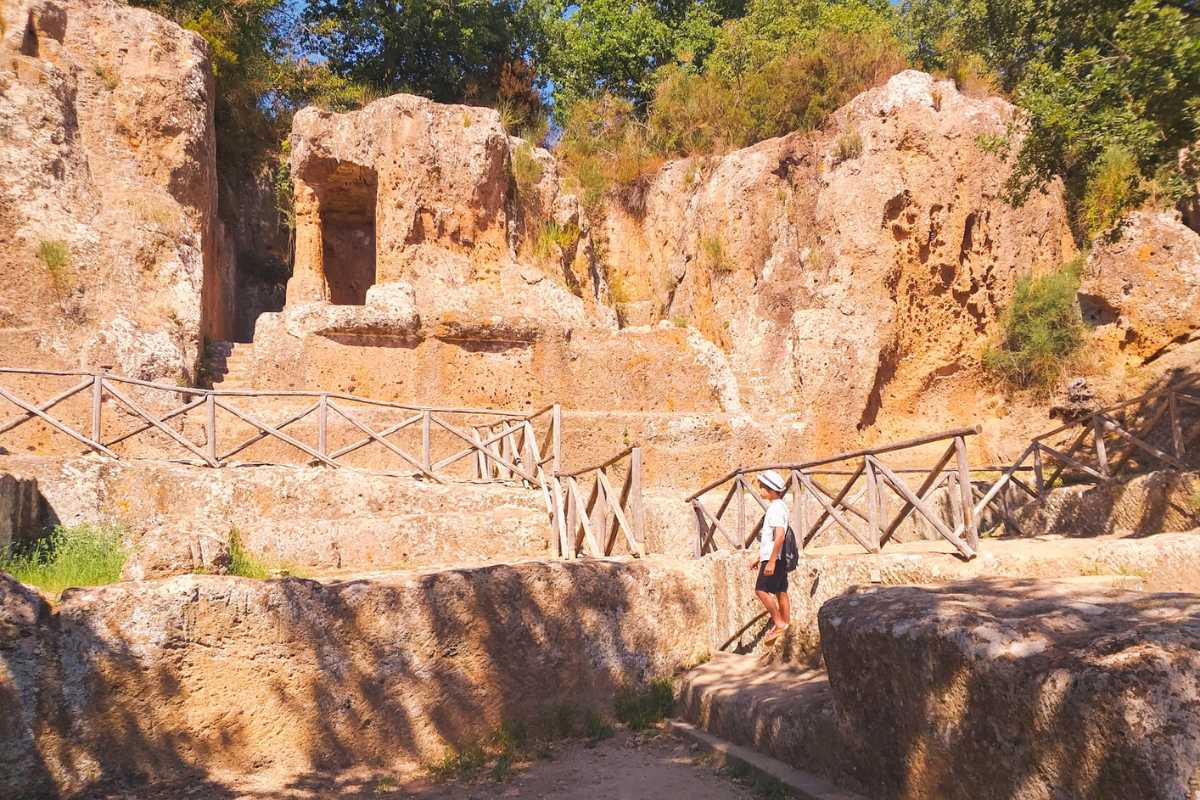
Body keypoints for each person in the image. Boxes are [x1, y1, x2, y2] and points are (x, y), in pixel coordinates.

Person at [748, 470, 790, 642]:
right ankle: (786, 623)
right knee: (781, 591)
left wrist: (771, 561)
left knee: (761, 590)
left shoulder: (775, 509)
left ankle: (779, 623)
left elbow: (779, 536)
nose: (760, 491)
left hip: (774, 558)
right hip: (775, 557)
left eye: (763, 488)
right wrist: (759, 557)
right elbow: (772, 538)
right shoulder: (780, 507)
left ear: (772, 490)